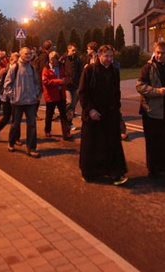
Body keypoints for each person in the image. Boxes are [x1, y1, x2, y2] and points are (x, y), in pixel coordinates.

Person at [78, 45, 127, 185]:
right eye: (106, 56)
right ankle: (89, 172)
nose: (109, 59)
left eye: (111, 56)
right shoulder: (90, 70)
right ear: (99, 56)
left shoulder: (114, 71)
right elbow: (82, 92)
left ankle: (115, 173)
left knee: (112, 144)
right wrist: (90, 110)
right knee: (91, 145)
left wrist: (118, 113)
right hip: (93, 114)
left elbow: (116, 93)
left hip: (110, 114)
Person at [136, 41, 165, 177]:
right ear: (154, 52)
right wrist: (157, 91)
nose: (160, 55)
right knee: (153, 142)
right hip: (152, 111)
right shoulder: (147, 68)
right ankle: (154, 169)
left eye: (163, 53)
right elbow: (140, 86)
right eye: (158, 52)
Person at [4, 46, 41, 157]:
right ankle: (11, 142)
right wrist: (13, 96)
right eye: (26, 54)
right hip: (18, 102)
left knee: (32, 125)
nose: (28, 56)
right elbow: (7, 84)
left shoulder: (32, 68)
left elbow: (36, 83)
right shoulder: (14, 68)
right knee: (15, 124)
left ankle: (31, 148)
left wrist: (36, 94)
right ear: (20, 55)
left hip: (30, 101)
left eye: (30, 54)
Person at [42, 51, 73, 140]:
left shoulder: (61, 67)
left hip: (60, 95)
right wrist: (59, 81)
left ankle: (66, 133)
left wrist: (65, 80)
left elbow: (65, 77)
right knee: (49, 114)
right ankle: (47, 130)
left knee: (63, 115)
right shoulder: (46, 69)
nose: (52, 61)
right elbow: (45, 82)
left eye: (54, 59)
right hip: (51, 96)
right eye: (50, 59)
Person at [0, 52, 18, 142]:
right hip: (6, 98)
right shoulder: (3, 71)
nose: (17, 64)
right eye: (15, 61)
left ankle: (16, 138)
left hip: (16, 97)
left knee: (16, 118)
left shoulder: (19, 71)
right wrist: (3, 91)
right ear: (11, 61)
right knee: (6, 117)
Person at [60, 43, 82, 125]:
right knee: (69, 102)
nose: (74, 52)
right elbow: (59, 69)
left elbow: (80, 70)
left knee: (72, 105)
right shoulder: (63, 59)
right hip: (67, 85)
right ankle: (65, 120)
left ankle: (69, 122)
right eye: (73, 50)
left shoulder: (77, 59)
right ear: (68, 49)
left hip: (75, 85)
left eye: (75, 50)